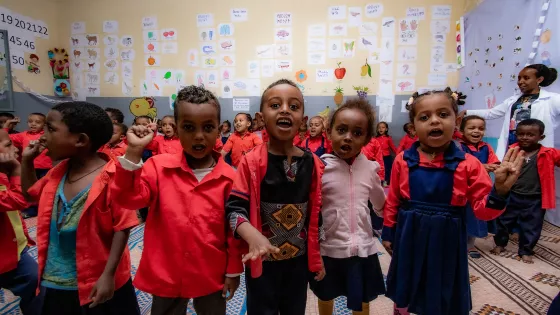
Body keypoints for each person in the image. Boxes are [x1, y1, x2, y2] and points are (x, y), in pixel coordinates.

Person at [382, 90, 525, 315]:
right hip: (410, 232)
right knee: (406, 282)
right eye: (424, 117)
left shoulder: (468, 164)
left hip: (447, 236)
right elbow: (393, 201)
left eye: (442, 114)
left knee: (442, 284)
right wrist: (389, 232)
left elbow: (482, 211)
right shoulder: (403, 160)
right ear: (413, 127)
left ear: (456, 121)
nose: (435, 121)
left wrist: (499, 192)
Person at [109, 86, 243, 315]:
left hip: (210, 270)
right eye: (189, 128)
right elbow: (128, 199)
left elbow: (233, 231)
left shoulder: (230, 177)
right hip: (167, 271)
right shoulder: (157, 167)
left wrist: (233, 271)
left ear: (220, 130)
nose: (199, 136)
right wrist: (133, 152)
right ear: (177, 129)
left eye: (208, 127)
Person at [21, 102, 140, 315]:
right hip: (56, 277)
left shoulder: (113, 176)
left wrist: (108, 275)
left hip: (97, 278)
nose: (42, 135)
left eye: (51, 129)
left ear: (80, 140)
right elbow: (31, 195)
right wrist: (27, 162)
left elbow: (123, 227)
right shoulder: (58, 173)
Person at [225, 79, 325, 315]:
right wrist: (252, 235)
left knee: (294, 310)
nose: (284, 110)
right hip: (262, 262)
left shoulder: (312, 163)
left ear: (303, 119)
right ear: (260, 118)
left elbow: (316, 214)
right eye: (275, 105)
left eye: (293, 106)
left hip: (298, 264)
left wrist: (317, 257)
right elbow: (234, 210)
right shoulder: (251, 162)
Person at [310, 98, 386, 315]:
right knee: (325, 293)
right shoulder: (320, 168)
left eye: (357, 133)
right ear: (329, 132)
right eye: (341, 130)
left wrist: (390, 220)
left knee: (361, 298)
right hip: (329, 248)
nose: (347, 138)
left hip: (361, 248)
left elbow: (380, 203)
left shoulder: (370, 169)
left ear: (367, 139)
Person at [460, 64, 560, 225]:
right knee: (508, 183)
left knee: (529, 186)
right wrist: (468, 112)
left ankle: (525, 225)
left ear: (539, 79)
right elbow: (493, 112)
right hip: (512, 147)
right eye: (519, 78)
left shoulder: (553, 99)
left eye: (526, 78)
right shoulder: (514, 100)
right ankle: (506, 224)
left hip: (533, 150)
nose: (521, 81)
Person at [491, 119, 560, 264]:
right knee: (503, 221)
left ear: (541, 137)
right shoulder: (512, 150)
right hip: (512, 194)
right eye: (521, 134)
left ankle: (526, 250)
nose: (525, 137)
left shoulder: (549, 153)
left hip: (536, 198)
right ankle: (500, 244)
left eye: (530, 134)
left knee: (532, 225)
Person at [0, 129, 42, 315]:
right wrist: (19, 167)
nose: (15, 148)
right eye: (9, 145)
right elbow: (21, 199)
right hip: (3, 255)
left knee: (33, 282)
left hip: (15, 248)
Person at [459, 115, 501, 258]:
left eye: (481, 128)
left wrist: (496, 167)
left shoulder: (486, 147)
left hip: (480, 189)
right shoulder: (459, 146)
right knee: (460, 217)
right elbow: (459, 165)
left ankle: (470, 246)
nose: (477, 131)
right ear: (462, 130)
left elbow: (494, 162)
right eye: (471, 128)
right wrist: (481, 166)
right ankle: (456, 244)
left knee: (475, 217)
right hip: (462, 189)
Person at [5, 113, 52, 218]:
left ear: (44, 125)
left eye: (37, 122)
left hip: (45, 169)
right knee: (29, 190)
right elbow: (5, 137)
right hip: (29, 169)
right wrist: (7, 125)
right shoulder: (23, 135)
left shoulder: (47, 135)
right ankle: (31, 210)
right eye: (30, 122)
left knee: (44, 191)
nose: (33, 124)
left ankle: (43, 210)